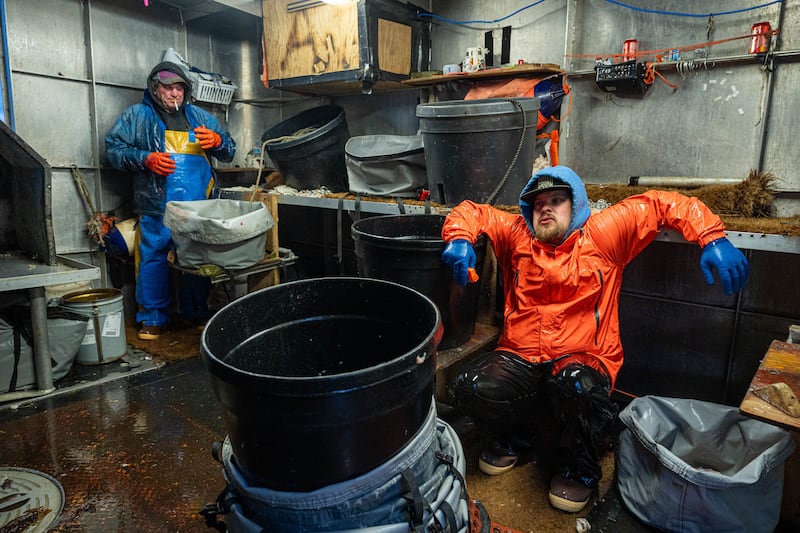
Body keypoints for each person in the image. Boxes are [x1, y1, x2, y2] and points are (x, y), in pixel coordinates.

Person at [440, 165, 748, 513]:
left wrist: (712, 237)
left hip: (584, 356)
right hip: (521, 353)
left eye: (557, 200)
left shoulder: (604, 232)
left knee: (577, 388)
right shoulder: (516, 234)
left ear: (576, 204)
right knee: (470, 386)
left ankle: (579, 466)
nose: (545, 208)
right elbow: (472, 211)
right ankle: (518, 435)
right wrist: (460, 238)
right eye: (538, 203)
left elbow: (662, 204)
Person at [105, 61, 236, 340]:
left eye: (180, 88)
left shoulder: (201, 117)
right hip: (156, 206)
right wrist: (145, 159)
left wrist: (218, 142)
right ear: (155, 88)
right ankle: (152, 318)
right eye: (168, 88)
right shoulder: (137, 116)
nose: (175, 93)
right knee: (153, 258)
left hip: (198, 208)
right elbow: (113, 149)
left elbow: (229, 151)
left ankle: (196, 312)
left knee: (196, 260)